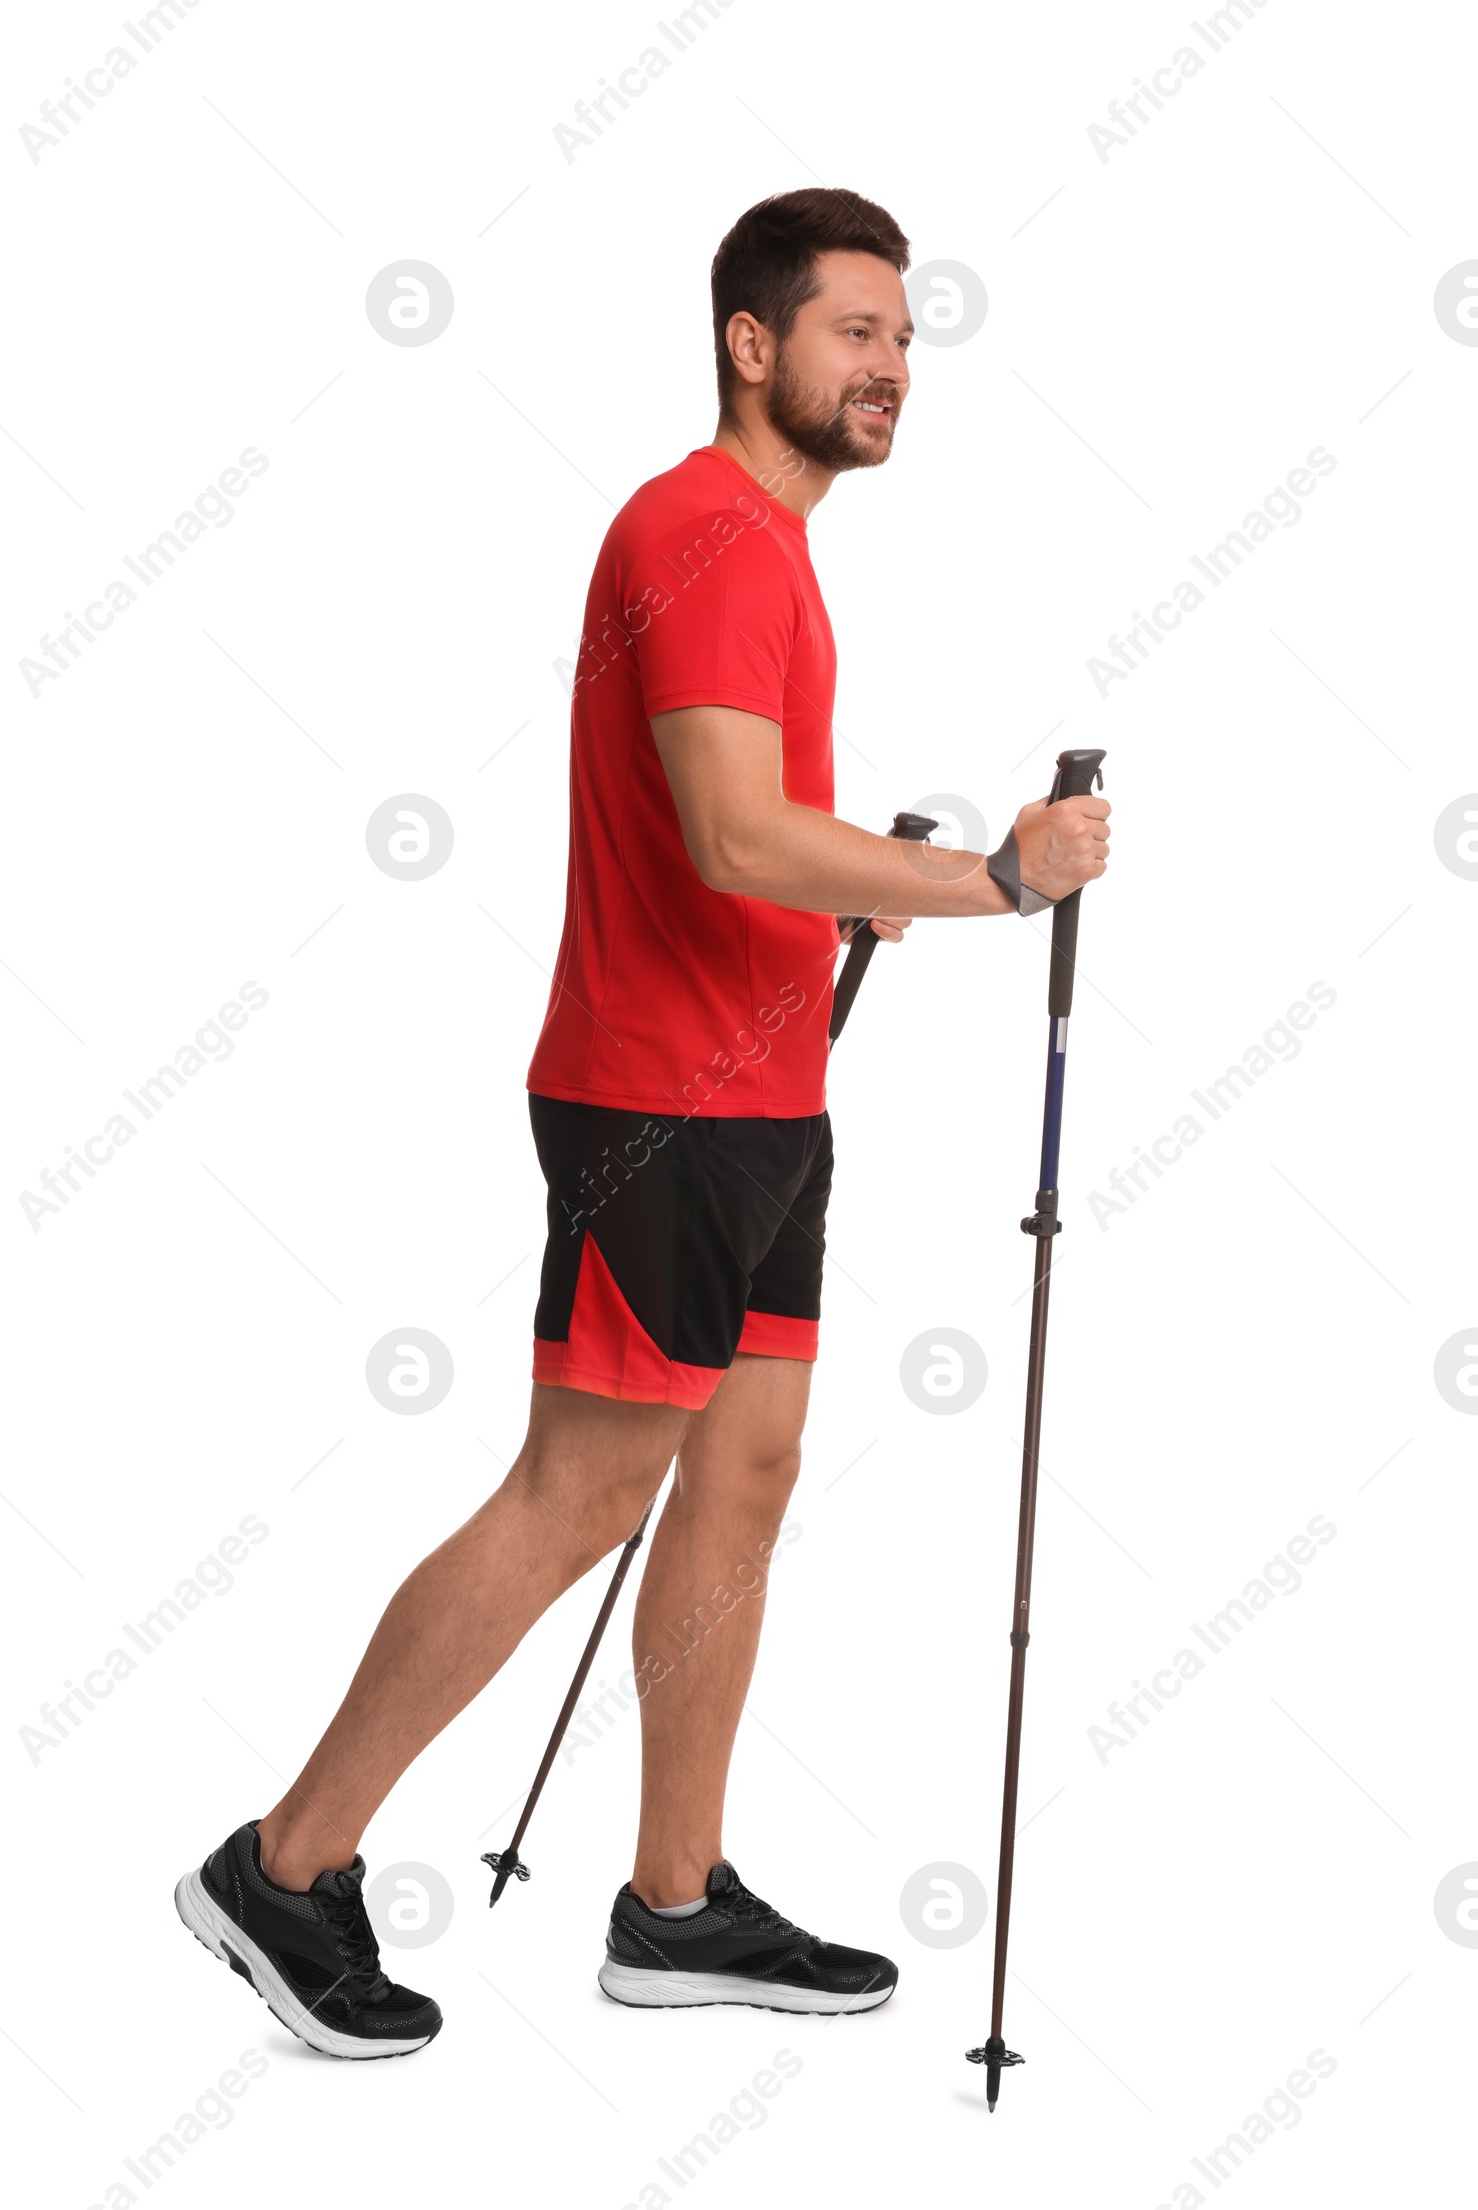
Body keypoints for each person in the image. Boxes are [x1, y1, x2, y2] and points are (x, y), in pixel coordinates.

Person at [175, 186, 1111, 2059]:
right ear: (753, 343)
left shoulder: (775, 549)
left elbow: (768, 847)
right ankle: (285, 1863)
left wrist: (866, 897)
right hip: (653, 1100)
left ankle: (672, 1904)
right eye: (858, 331)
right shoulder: (699, 528)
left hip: (765, 1089)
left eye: (908, 338)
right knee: (583, 1486)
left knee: (744, 1475)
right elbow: (730, 832)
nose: (894, 367)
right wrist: (1002, 880)